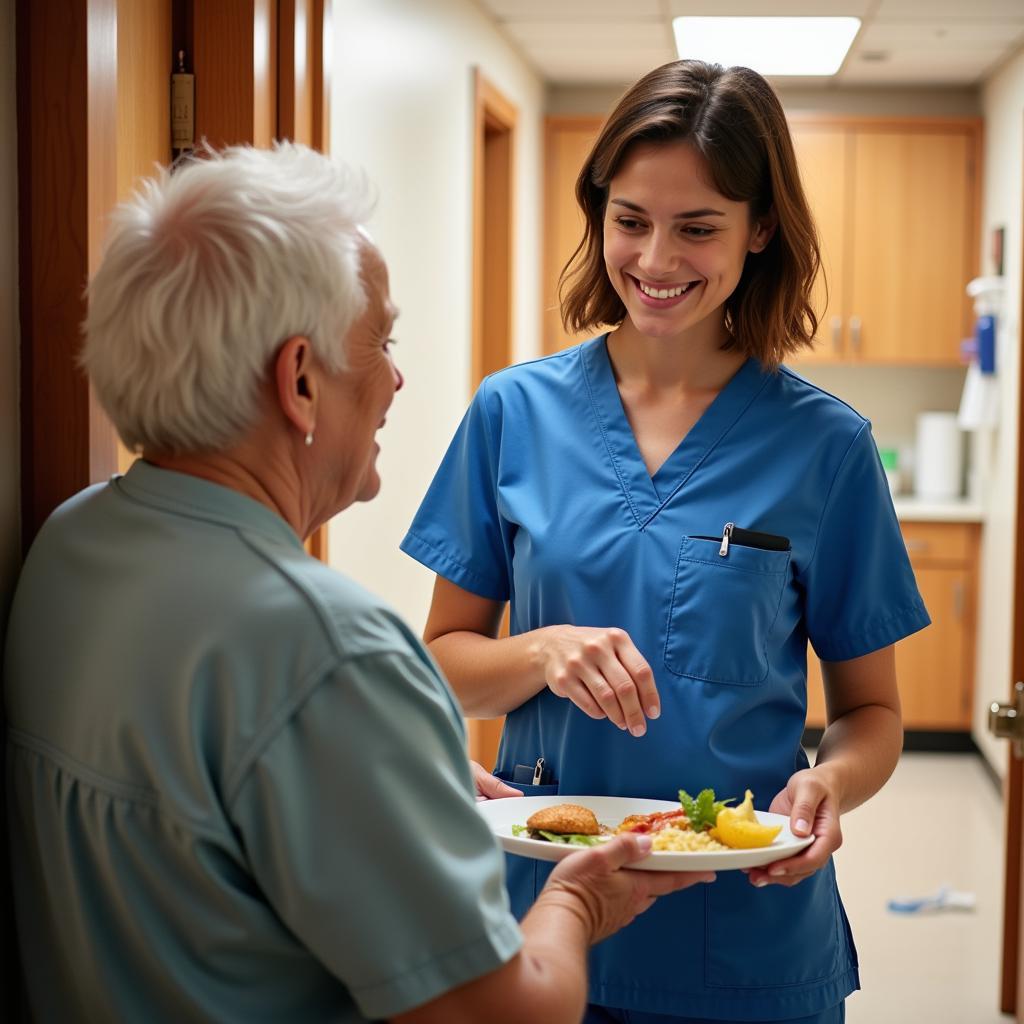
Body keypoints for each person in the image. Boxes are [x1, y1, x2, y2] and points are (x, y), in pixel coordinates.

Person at [3, 143, 713, 1023]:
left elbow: (204, 825)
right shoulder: (332, 649)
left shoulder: (69, 542)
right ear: (300, 380)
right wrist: (574, 903)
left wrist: (396, 783)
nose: (395, 377)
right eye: (381, 340)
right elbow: (500, 1016)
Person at [402, 60, 931, 1024]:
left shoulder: (828, 447)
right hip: (543, 922)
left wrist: (828, 786)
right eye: (631, 219)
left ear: (760, 229)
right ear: (598, 211)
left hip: (748, 937)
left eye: (698, 228)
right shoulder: (511, 414)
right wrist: (540, 651)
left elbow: (873, 714)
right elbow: (440, 667)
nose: (655, 259)